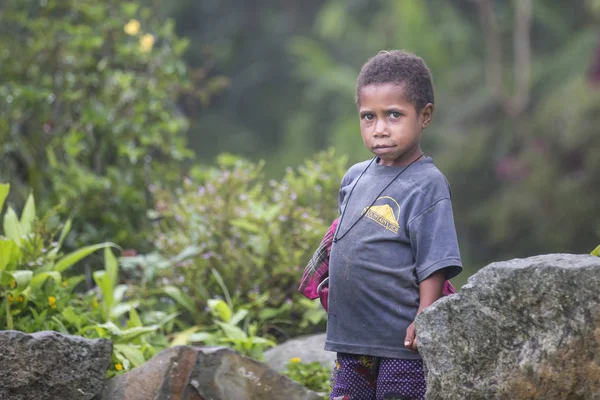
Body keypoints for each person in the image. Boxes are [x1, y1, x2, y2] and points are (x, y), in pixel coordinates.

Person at [325, 50, 463, 400]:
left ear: (425, 115)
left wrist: (425, 317)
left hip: (401, 341)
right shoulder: (354, 177)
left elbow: (434, 260)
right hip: (352, 338)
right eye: (368, 117)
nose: (379, 129)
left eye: (394, 115)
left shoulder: (427, 183)